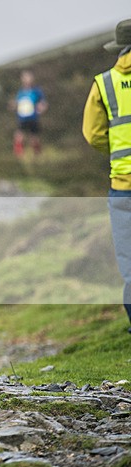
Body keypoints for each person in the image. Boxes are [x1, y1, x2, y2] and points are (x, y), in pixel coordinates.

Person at [83, 18, 131, 334]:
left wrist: (116, 151)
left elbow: (92, 134)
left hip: (122, 187)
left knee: (130, 266)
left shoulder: (104, 83)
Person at [11, 70, 48, 158]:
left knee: (34, 139)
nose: (27, 80)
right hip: (22, 118)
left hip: (33, 118)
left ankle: (37, 155)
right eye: (25, 78)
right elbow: (17, 103)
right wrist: (13, 105)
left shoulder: (36, 91)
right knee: (18, 136)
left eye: (29, 78)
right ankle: (19, 156)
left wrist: (42, 108)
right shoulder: (21, 92)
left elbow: (43, 103)